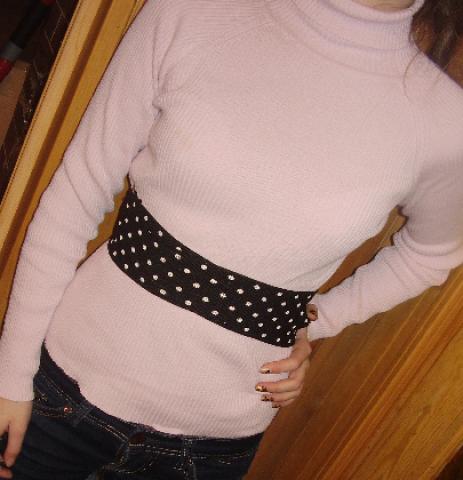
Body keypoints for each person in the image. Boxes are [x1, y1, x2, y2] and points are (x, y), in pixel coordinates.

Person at [0, 0, 462, 478]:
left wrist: (315, 320)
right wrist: (10, 376)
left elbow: (428, 256)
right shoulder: (195, 13)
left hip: (210, 453)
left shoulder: (445, 122)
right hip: (58, 400)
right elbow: (78, 190)